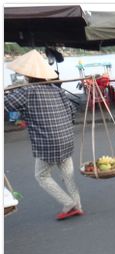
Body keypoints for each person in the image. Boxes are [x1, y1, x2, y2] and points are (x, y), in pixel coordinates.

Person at [4, 50, 83, 220]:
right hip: (66, 138)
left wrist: (9, 92)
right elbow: (71, 112)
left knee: (41, 175)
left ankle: (68, 203)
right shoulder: (57, 90)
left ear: (28, 76)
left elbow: (6, 106)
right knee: (67, 175)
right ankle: (78, 205)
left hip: (48, 143)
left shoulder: (26, 92)